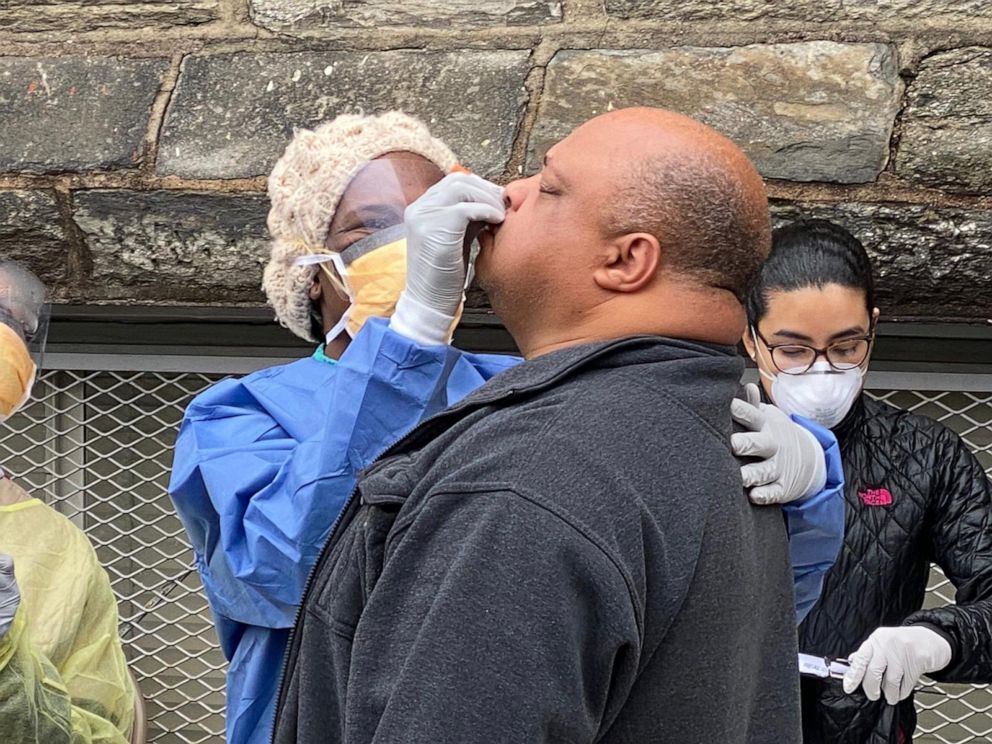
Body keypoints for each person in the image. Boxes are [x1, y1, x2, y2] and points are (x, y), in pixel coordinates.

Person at [271, 107, 826, 744]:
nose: (507, 192)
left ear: (625, 261)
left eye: (548, 185)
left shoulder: (529, 475)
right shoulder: (705, 419)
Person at [743, 219, 992, 743]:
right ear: (750, 338)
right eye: (792, 350)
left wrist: (935, 638)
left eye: (845, 347)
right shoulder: (708, 441)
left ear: (873, 331)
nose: (821, 371)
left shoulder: (927, 455)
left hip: (862, 729)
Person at [0, 260, 135, 744]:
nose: (3, 334)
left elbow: (99, 728)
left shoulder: (60, 548)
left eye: (16, 323)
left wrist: (6, 663)